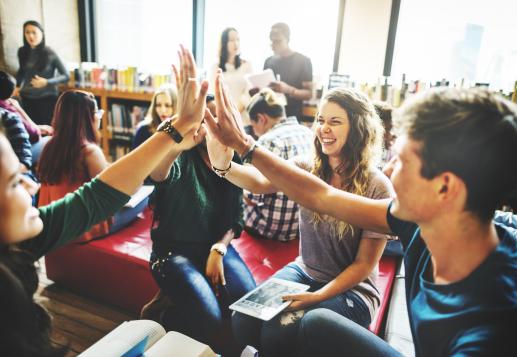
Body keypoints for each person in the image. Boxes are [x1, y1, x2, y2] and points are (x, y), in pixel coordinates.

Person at [205, 81, 517, 356]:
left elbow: (360, 258)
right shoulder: (417, 222)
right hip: (311, 273)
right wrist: (235, 154)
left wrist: (246, 146)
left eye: (403, 161)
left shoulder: (487, 331)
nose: (391, 170)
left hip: (353, 294)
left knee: (306, 324)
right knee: (248, 321)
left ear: (445, 187)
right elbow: (321, 196)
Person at [0, 46, 210, 356]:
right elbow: (103, 196)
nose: (31, 185)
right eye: (15, 181)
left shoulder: (20, 245)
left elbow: (96, 194)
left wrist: (177, 127)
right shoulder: (89, 150)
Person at [206, 85, 394, 356]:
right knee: (243, 322)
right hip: (305, 271)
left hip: (354, 291)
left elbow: (364, 265)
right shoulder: (307, 167)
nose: (323, 128)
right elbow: (258, 182)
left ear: (358, 128)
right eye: (320, 120)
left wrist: (318, 297)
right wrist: (222, 166)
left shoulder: (379, 187)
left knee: (277, 333)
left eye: (335, 121)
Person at [145, 86, 256, 356]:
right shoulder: (182, 155)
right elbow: (158, 174)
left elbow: (236, 218)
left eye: (219, 121)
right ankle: (162, 318)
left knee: (251, 311)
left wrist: (219, 248)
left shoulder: (231, 160)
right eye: (207, 121)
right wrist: (176, 145)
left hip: (214, 248)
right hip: (172, 253)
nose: (214, 128)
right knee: (210, 318)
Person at [36, 90, 112, 241]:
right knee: (140, 201)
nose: (99, 117)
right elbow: (111, 193)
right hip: (82, 229)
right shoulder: (89, 152)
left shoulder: (49, 146)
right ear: (88, 117)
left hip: (52, 227)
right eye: (97, 113)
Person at [243, 88, 313, 241]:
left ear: (261, 119)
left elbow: (252, 197)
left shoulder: (267, 142)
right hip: (301, 228)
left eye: (253, 125)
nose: (254, 131)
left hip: (269, 229)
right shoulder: (308, 133)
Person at [16, 20, 70, 126]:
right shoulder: (22, 51)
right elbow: (22, 71)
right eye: (27, 32)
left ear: (42, 34)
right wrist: (17, 86)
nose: (31, 36)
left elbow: (66, 76)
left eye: (34, 32)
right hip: (27, 97)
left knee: (48, 130)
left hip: (47, 98)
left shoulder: (50, 52)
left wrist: (47, 82)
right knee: (33, 130)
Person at [0, 70, 53, 166]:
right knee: (52, 140)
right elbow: (34, 134)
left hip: (7, 156)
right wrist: (19, 108)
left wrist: (39, 127)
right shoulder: (9, 111)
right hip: (16, 159)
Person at [262, 22, 313, 120]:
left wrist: (288, 90)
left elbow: (309, 94)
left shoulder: (303, 61)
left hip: (292, 117)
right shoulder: (268, 61)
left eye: (277, 41)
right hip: (270, 117)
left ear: (287, 39)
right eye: (272, 41)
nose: (273, 45)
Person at [210, 27, 252, 125]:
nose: (236, 43)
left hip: (244, 117)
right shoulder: (215, 67)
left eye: (238, 39)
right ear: (224, 43)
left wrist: (236, 111)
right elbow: (214, 93)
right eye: (232, 40)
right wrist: (227, 113)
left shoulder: (247, 65)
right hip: (224, 116)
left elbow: (248, 92)